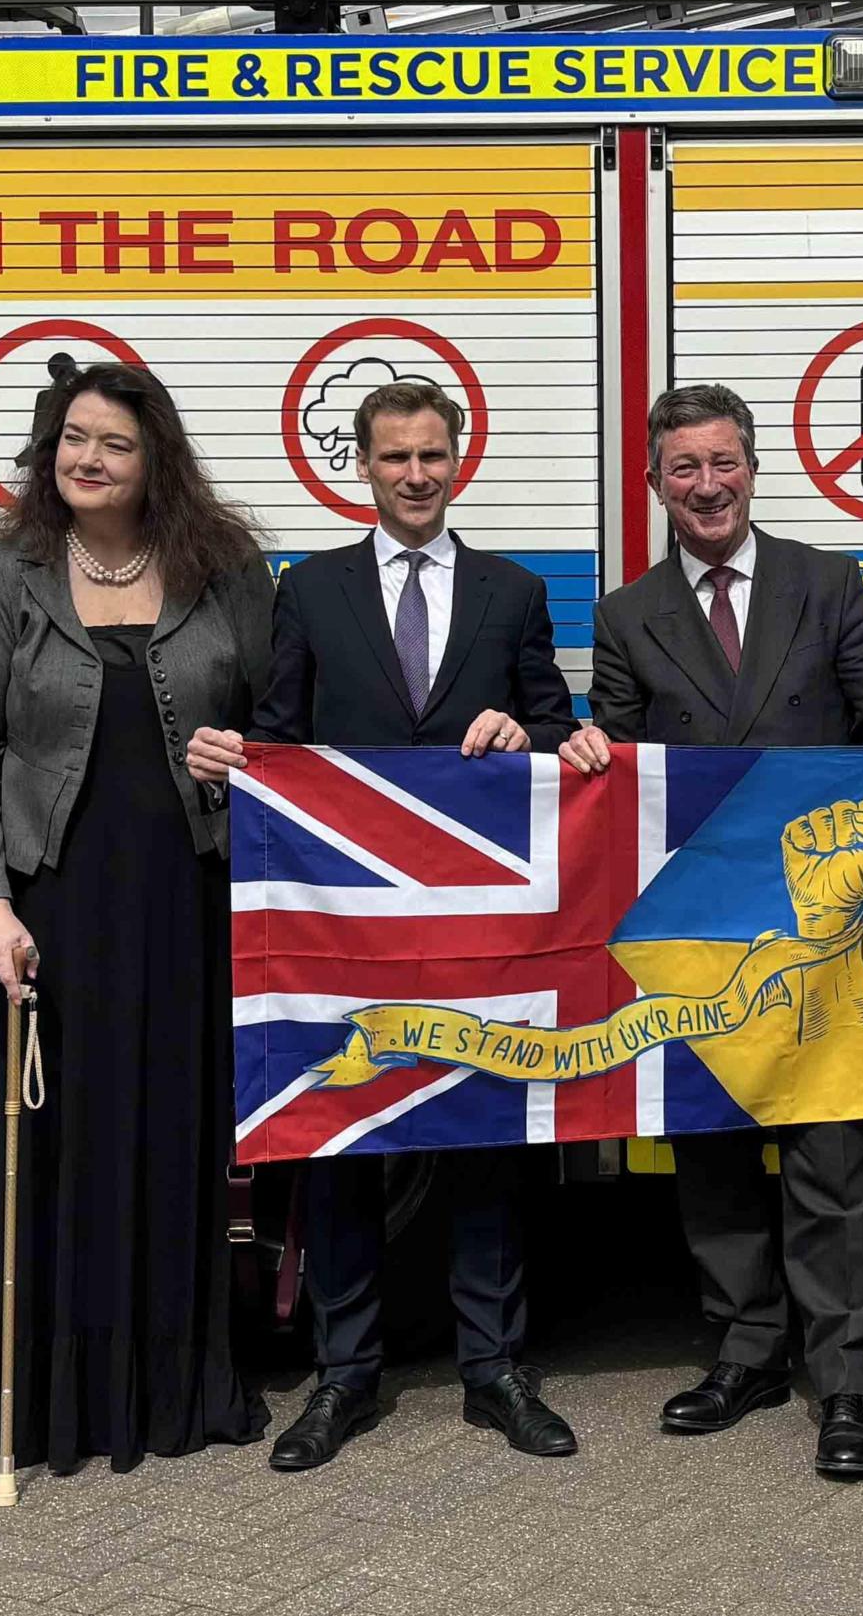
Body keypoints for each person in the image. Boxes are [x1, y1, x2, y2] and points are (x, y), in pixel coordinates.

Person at [186, 379, 605, 1471]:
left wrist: (530, 729)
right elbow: (281, 736)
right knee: (340, 1153)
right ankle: (344, 1378)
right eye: (394, 458)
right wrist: (239, 766)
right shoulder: (312, 592)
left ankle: (496, 1370)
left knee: (483, 1144)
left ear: (458, 459)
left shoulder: (513, 592)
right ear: (361, 468)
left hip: (473, 925)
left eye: (432, 455)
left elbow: (558, 734)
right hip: (351, 925)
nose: (415, 475)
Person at [589, 382, 863, 1483]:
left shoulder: (826, 581)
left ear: (753, 467)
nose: (707, 486)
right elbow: (616, 747)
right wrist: (582, 757)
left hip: (826, 925)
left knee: (835, 1153)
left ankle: (848, 1384)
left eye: (723, 463)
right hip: (706, 931)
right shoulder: (626, 614)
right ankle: (746, 1350)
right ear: (655, 482)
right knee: (709, 1151)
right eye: (683, 469)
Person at [0, 360, 275, 1476]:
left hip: (186, 904)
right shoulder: (2, 575)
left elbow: (289, 728)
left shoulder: (229, 571)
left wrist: (245, 760)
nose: (87, 459)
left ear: (155, 457)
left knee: (174, 1139)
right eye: (72, 438)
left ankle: (170, 1385)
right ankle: (49, 1399)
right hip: (45, 911)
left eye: (114, 443)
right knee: (51, 1149)